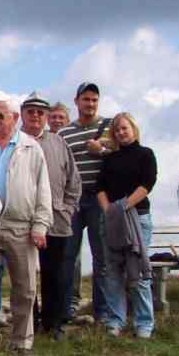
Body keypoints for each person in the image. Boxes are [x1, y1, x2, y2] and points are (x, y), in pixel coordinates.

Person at [0, 98, 52, 356]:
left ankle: (22, 342)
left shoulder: (32, 148)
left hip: (22, 227)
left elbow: (44, 190)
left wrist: (40, 225)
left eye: (0, 115)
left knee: (26, 286)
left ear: (14, 119)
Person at [21, 91, 80, 342]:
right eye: (30, 111)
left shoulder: (58, 143)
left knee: (55, 274)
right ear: (22, 114)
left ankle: (53, 323)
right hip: (23, 221)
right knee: (25, 275)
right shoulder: (16, 141)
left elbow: (73, 181)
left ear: (46, 116)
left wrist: (67, 207)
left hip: (57, 220)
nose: (35, 115)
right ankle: (29, 321)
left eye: (40, 112)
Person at [96, 113, 158, 339]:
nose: (121, 133)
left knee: (138, 272)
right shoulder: (109, 159)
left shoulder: (146, 154)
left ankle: (144, 323)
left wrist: (123, 207)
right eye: (117, 130)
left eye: (124, 128)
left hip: (137, 217)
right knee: (113, 272)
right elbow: (100, 187)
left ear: (133, 128)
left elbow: (147, 184)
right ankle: (115, 320)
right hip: (112, 219)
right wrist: (109, 211)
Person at [60, 82, 113, 321]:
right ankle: (70, 305)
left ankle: (101, 309)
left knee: (102, 255)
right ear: (77, 101)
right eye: (86, 99)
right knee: (68, 255)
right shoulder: (64, 133)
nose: (90, 104)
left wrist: (100, 150)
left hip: (99, 197)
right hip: (73, 200)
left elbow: (121, 158)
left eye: (94, 100)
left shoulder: (110, 128)